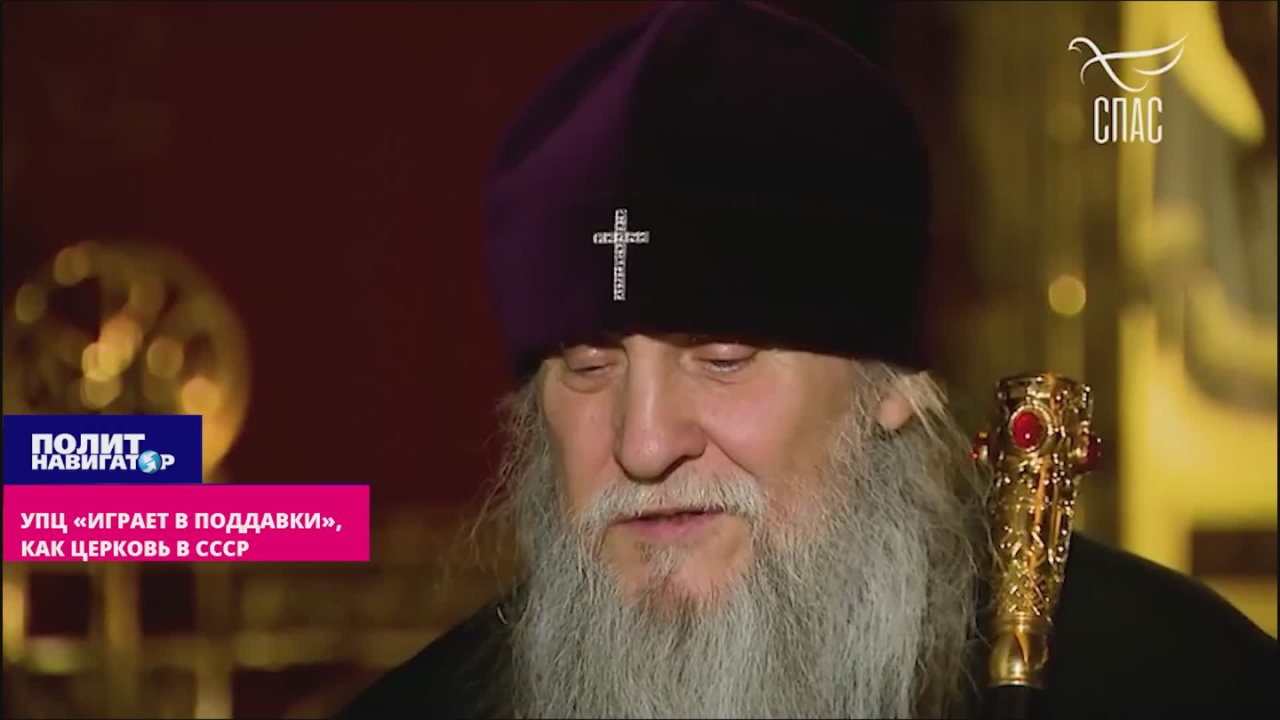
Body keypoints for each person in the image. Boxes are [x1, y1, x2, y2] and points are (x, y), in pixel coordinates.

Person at [338, 2, 1277, 718]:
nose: (644, 443)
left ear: (891, 382)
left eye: (723, 356)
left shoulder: (1180, 686)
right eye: (588, 366)